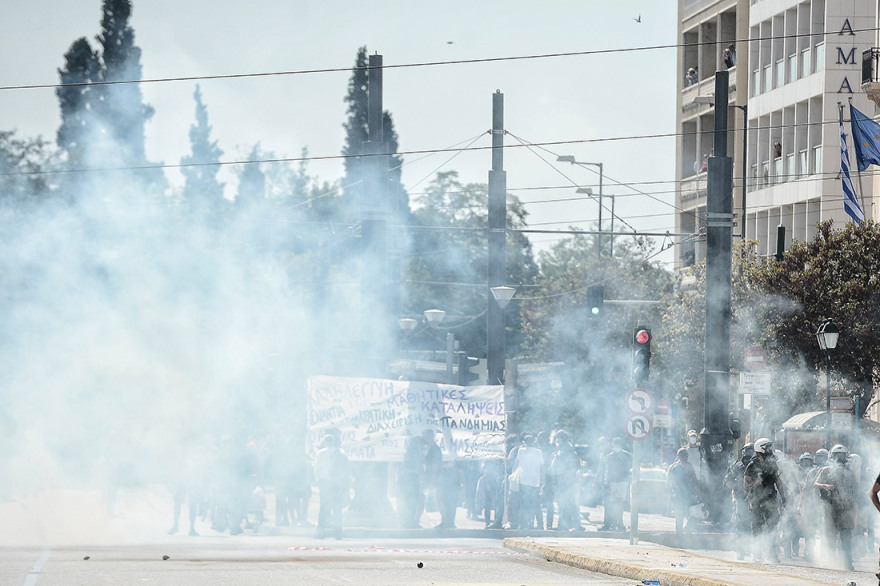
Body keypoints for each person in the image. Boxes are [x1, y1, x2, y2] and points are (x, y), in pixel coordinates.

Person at [814, 444, 858, 570]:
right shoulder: (826, 470)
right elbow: (815, 484)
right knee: (830, 535)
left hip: (845, 507)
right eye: (837, 455)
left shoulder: (850, 473)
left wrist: (854, 510)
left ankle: (847, 562)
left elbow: (854, 491)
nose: (839, 457)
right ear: (832, 456)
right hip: (830, 507)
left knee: (846, 535)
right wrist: (825, 486)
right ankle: (830, 561)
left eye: (842, 455)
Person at [744, 437, 784, 562]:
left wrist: (784, 497)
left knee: (773, 526)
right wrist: (757, 481)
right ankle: (757, 554)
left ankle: (772, 554)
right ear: (761, 449)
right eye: (767, 447)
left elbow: (778, 481)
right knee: (757, 527)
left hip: (770, 499)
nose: (770, 449)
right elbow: (746, 485)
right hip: (756, 501)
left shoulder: (772, 463)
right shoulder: (752, 465)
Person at [313, 433, 349, 539]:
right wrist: (319, 480)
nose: (328, 442)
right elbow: (317, 468)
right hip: (325, 482)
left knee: (336, 508)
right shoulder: (321, 454)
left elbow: (345, 469)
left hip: (336, 483)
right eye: (327, 440)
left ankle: (337, 531)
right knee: (325, 507)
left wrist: (343, 482)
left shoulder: (341, 453)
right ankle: (322, 531)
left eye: (330, 440)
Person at [724, 442, 754, 559]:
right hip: (741, 500)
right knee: (741, 525)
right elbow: (727, 481)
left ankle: (753, 550)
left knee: (754, 525)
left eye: (752, 450)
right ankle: (741, 551)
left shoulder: (757, 464)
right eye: (748, 450)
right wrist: (738, 489)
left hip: (755, 499)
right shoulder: (737, 465)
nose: (750, 453)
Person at [550, 430, 582, 531]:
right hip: (561, 480)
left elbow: (571, 466)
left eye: (559, 437)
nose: (557, 439)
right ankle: (563, 524)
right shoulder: (560, 449)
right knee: (563, 503)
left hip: (566, 481)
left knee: (569, 503)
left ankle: (573, 525)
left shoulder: (567, 449)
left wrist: (565, 478)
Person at [668, 448, 700, 546]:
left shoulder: (688, 466)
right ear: (679, 456)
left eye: (685, 455)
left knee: (693, 514)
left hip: (688, 495)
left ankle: (686, 531)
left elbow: (694, 480)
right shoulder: (674, 467)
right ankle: (680, 537)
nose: (685, 457)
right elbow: (670, 482)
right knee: (680, 516)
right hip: (679, 496)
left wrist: (697, 492)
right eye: (683, 455)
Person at [600, 437, 632, 532]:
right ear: (612, 445)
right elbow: (606, 471)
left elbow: (630, 469)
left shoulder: (628, 456)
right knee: (612, 504)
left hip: (622, 482)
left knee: (619, 503)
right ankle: (614, 524)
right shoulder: (609, 456)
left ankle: (619, 524)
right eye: (615, 444)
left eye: (618, 444)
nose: (616, 446)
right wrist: (605, 484)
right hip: (612, 483)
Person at [515, 435, 545, 531]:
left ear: (524, 442)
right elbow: (542, 468)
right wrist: (542, 481)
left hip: (523, 480)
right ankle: (537, 524)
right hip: (535, 481)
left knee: (524, 504)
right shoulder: (539, 452)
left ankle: (523, 524)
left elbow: (518, 462)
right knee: (535, 504)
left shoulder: (521, 451)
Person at [397, 432, 425, 528]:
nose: (418, 444)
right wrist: (417, 472)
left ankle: (411, 521)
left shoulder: (419, 453)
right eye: (416, 442)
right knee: (410, 501)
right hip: (408, 480)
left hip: (414, 480)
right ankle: (407, 521)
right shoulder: (409, 453)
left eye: (419, 443)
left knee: (414, 501)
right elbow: (404, 467)